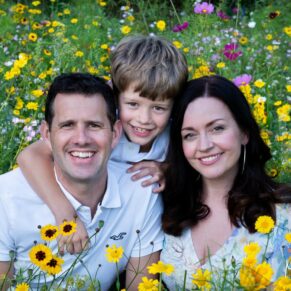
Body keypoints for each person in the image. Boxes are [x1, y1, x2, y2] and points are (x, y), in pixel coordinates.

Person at [16, 35, 188, 255]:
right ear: (114, 95)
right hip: (84, 219)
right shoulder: (101, 131)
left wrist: (168, 169)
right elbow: (29, 157)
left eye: (159, 108)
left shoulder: (172, 135)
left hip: (138, 232)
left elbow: (196, 167)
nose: (144, 119)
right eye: (133, 104)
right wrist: (66, 216)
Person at [0, 73, 164, 290]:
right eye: (67, 125)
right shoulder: (6, 199)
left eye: (94, 125)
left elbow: (141, 286)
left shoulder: (141, 191)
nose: (81, 139)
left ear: (115, 133)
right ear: (47, 134)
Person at [160, 75, 291, 289]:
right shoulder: (164, 202)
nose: (204, 145)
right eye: (190, 135)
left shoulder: (283, 217)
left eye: (217, 128)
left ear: (244, 132)